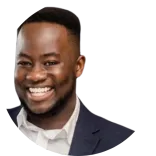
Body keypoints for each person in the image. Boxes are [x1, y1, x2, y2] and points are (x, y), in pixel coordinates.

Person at [9, 7, 136, 155]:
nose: (35, 75)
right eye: (25, 63)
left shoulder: (122, 144)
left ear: (79, 66)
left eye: (50, 62)